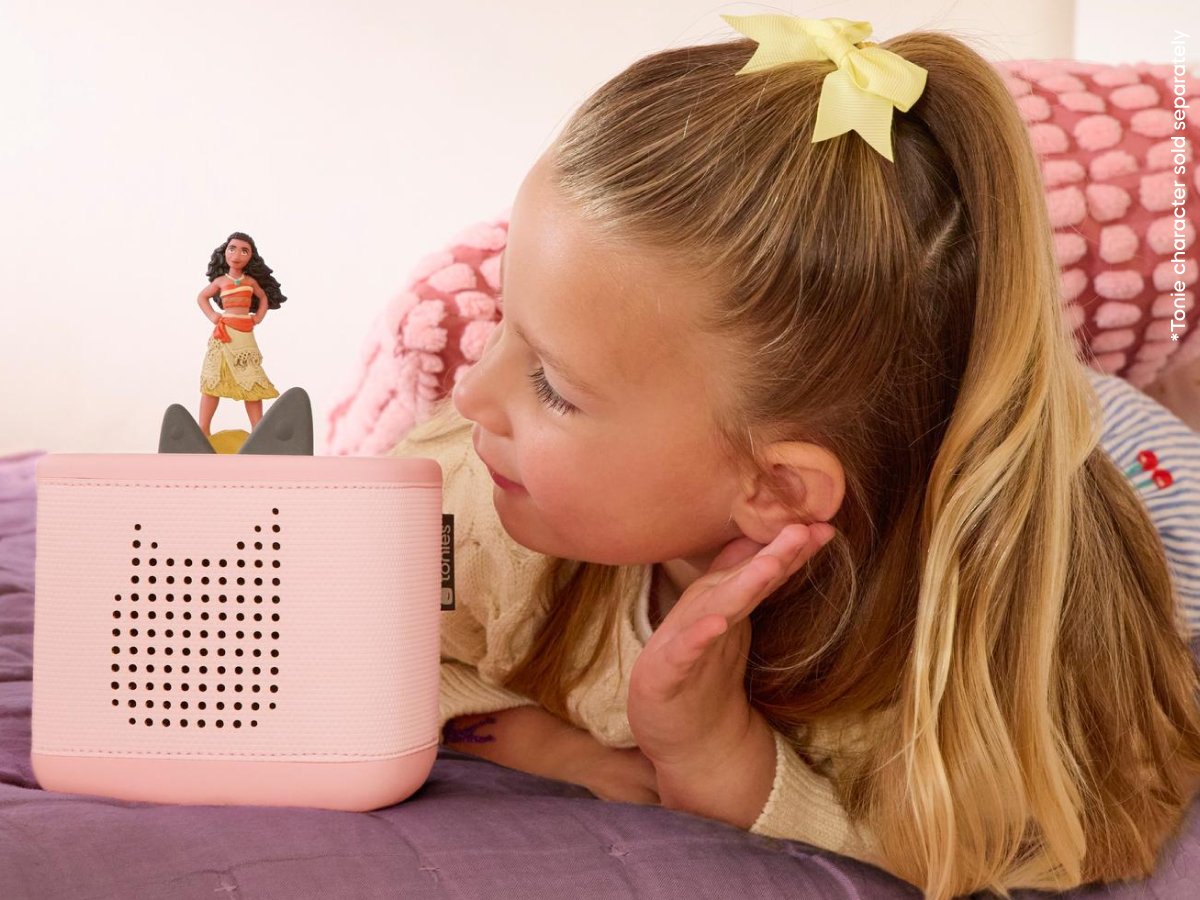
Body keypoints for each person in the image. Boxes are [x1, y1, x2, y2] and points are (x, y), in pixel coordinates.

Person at [392, 15, 1200, 899]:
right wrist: (549, 745)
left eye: (550, 384)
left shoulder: (960, 655)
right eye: (502, 321)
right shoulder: (468, 500)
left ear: (774, 488)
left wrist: (716, 756)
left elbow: (1059, 834)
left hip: (1135, 476)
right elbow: (357, 643)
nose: (471, 394)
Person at [196, 231, 286, 435]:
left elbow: (263, 298)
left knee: (251, 382)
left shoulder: (250, 282)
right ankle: (203, 429)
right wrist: (213, 316)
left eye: (244, 251)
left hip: (244, 335)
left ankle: (257, 430)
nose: (237, 255)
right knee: (213, 381)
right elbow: (202, 297)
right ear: (225, 252)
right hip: (224, 335)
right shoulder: (220, 281)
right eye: (232, 249)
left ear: (251, 256)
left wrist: (258, 317)